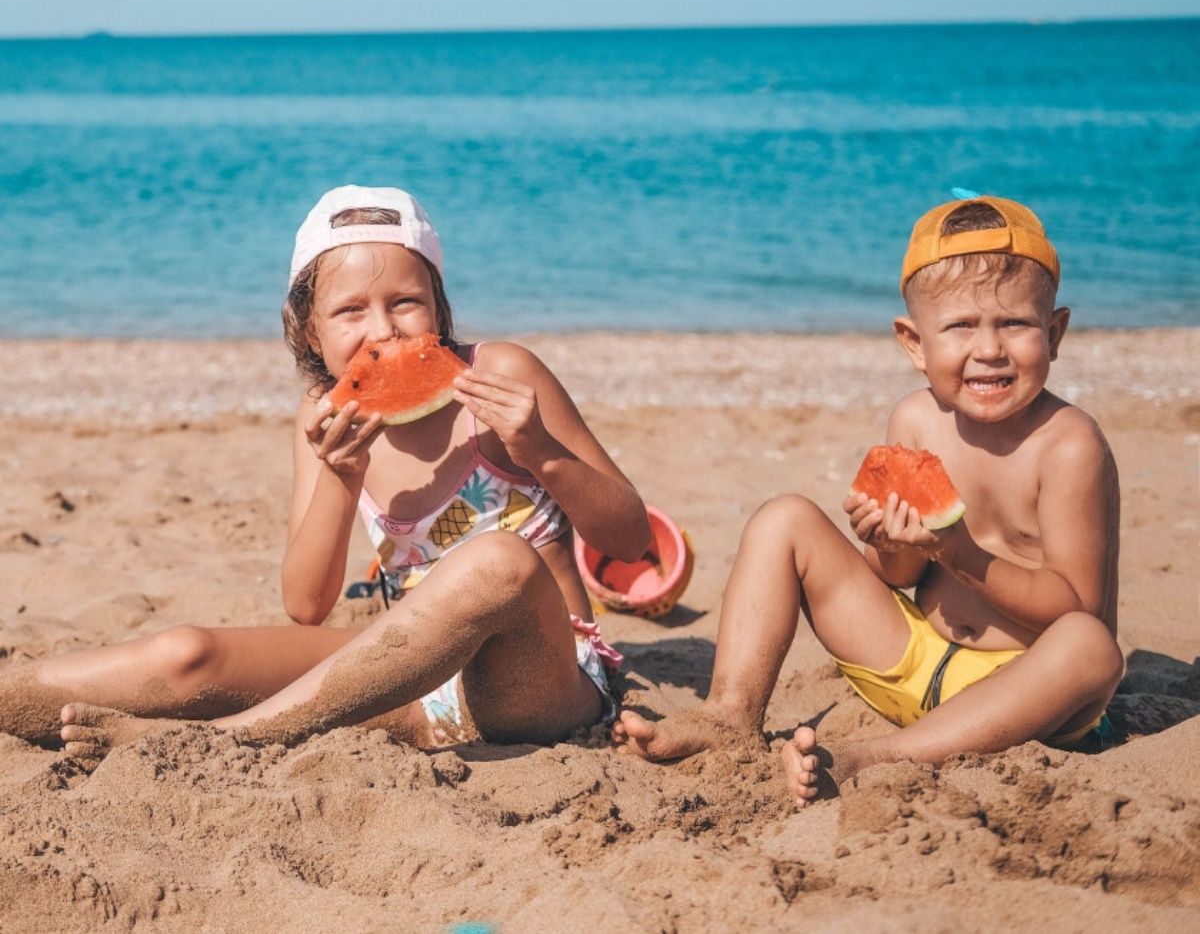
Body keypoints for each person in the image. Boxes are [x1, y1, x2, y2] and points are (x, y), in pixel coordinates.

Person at [1, 185, 650, 763]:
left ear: (439, 307)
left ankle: (225, 743)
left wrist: (542, 451)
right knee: (186, 654)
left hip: (544, 679)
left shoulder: (502, 374)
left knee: (498, 561)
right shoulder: (324, 416)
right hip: (413, 676)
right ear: (309, 332)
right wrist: (341, 476)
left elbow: (630, 540)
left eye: (406, 302)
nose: (384, 329)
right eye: (350, 311)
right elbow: (307, 605)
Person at [612, 195, 1124, 806]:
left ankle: (870, 759)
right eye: (961, 326)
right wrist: (885, 545)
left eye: (1014, 324)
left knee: (1092, 649)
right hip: (910, 667)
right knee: (784, 519)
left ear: (1055, 333)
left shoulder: (1068, 445)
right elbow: (899, 578)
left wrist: (960, 553)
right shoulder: (914, 419)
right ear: (914, 343)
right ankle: (729, 715)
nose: (989, 349)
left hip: (1024, 698)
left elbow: (1075, 606)